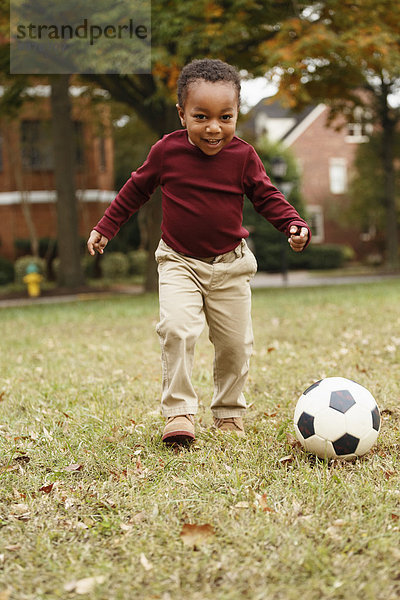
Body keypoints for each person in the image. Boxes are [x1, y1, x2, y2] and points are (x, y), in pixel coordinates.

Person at [87, 58, 311, 446]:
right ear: (182, 114)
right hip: (178, 262)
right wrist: (106, 226)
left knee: (235, 344)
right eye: (201, 116)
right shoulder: (167, 152)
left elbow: (266, 195)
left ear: (237, 113)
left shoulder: (243, 156)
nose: (213, 127)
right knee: (175, 329)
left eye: (225, 117)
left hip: (231, 265)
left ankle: (228, 412)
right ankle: (179, 413)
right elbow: (135, 189)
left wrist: (292, 223)